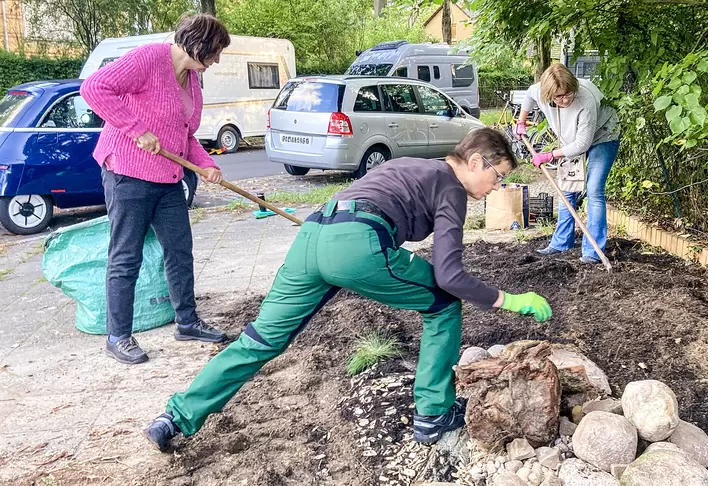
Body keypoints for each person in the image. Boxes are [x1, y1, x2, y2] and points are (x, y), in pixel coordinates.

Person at [142, 128, 554, 450]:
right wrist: (508, 300)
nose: (496, 188)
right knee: (444, 303)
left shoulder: (412, 164)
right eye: (498, 177)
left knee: (259, 339)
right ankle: (434, 412)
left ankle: (174, 418)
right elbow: (449, 275)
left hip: (313, 237)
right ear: (477, 161)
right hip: (359, 244)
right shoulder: (450, 187)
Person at [81, 14, 232, 365]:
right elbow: (93, 88)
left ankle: (187, 321)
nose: (217, 60)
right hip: (128, 172)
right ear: (198, 44)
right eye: (215, 52)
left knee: (179, 250)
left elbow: (185, 134)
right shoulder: (149, 58)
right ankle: (118, 336)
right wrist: (135, 128)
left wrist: (207, 164)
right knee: (126, 256)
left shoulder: (192, 79)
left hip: (168, 178)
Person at [516, 63, 621, 263]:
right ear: (548, 94)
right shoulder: (540, 92)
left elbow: (583, 143)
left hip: (604, 135)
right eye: (559, 96)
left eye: (568, 94)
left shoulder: (585, 99)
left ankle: (592, 251)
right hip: (571, 140)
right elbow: (529, 96)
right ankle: (561, 242)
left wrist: (549, 156)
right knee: (566, 189)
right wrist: (521, 121)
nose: (565, 100)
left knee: (594, 190)